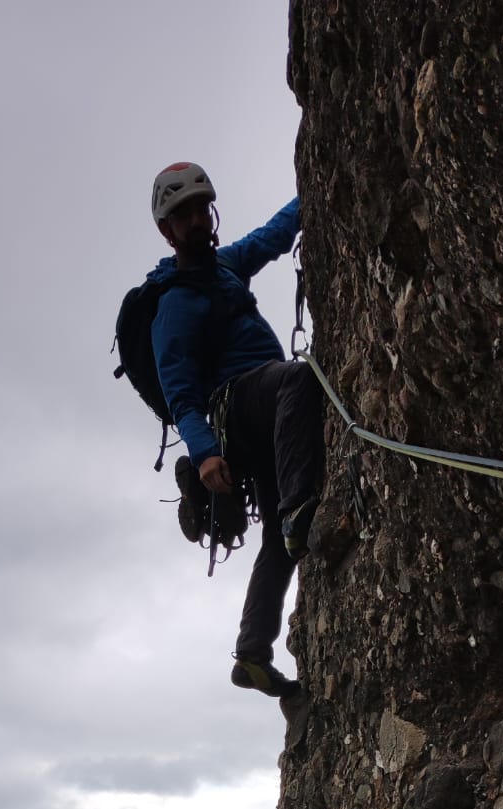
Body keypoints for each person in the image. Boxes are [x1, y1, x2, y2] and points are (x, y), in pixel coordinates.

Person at [149, 162, 325, 698]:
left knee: (276, 537)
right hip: (237, 406)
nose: (199, 220)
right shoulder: (173, 303)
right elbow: (180, 391)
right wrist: (203, 454)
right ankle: (301, 511)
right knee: (300, 379)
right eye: (186, 216)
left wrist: (316, 186)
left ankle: (251, 653)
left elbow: (271, 238)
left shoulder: (224, 268)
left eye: (203, 209)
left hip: (262, 415)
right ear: (168, 231)